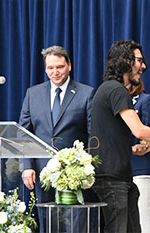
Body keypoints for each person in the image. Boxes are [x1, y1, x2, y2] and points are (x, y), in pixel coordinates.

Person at [90, 40, 150, 233]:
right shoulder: (116, 90)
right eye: (139, 61)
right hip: (112, 181)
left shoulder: (109, 89)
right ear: (124, 61)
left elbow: (114, 135)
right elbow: (140, 131)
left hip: (120, 178)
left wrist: (133, 150)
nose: (143, 66)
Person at [19, 45, 95, 232]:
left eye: (59, 67)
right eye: (50, 68)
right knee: (48, 224)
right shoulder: (32, 94)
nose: (55, 72)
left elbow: (94, 134)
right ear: (45, 69)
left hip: (76, 174)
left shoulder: (87, 93)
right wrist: (27, 165)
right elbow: (23, 134)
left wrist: (88, 167)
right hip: (41, 172)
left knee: (76, 225)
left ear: (69, 65)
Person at [130, 79, 150, 233]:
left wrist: (141, 146)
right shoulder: (117, 103)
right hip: (121, 168)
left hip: (141, 168)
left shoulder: (145, 100)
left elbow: (149, 132)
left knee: (144, 221)